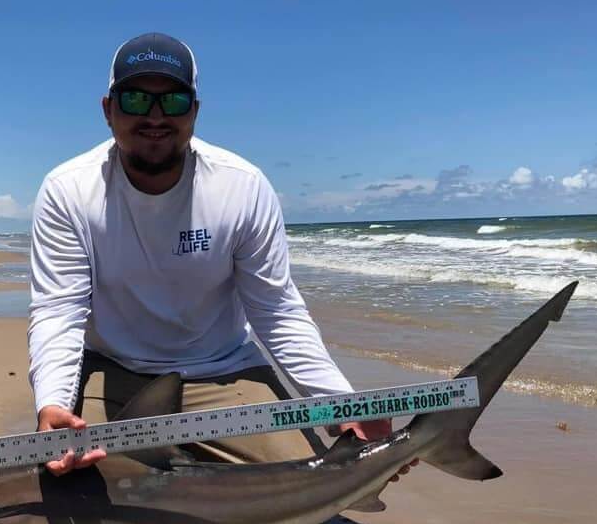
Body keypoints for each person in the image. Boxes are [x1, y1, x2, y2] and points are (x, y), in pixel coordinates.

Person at [27, 32, 417, 481]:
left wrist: (338, 402)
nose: (155, 116)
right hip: (113, 366)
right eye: (135, 99)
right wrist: (53, 402)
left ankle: (186, 456)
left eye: (172, 101)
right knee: (69, 487)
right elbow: (59, 311)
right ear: (107, 110)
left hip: (220, 369)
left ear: (194, 111)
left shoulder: (242, 187)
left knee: (308, 487)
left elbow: (277, 312)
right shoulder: (68, 190)